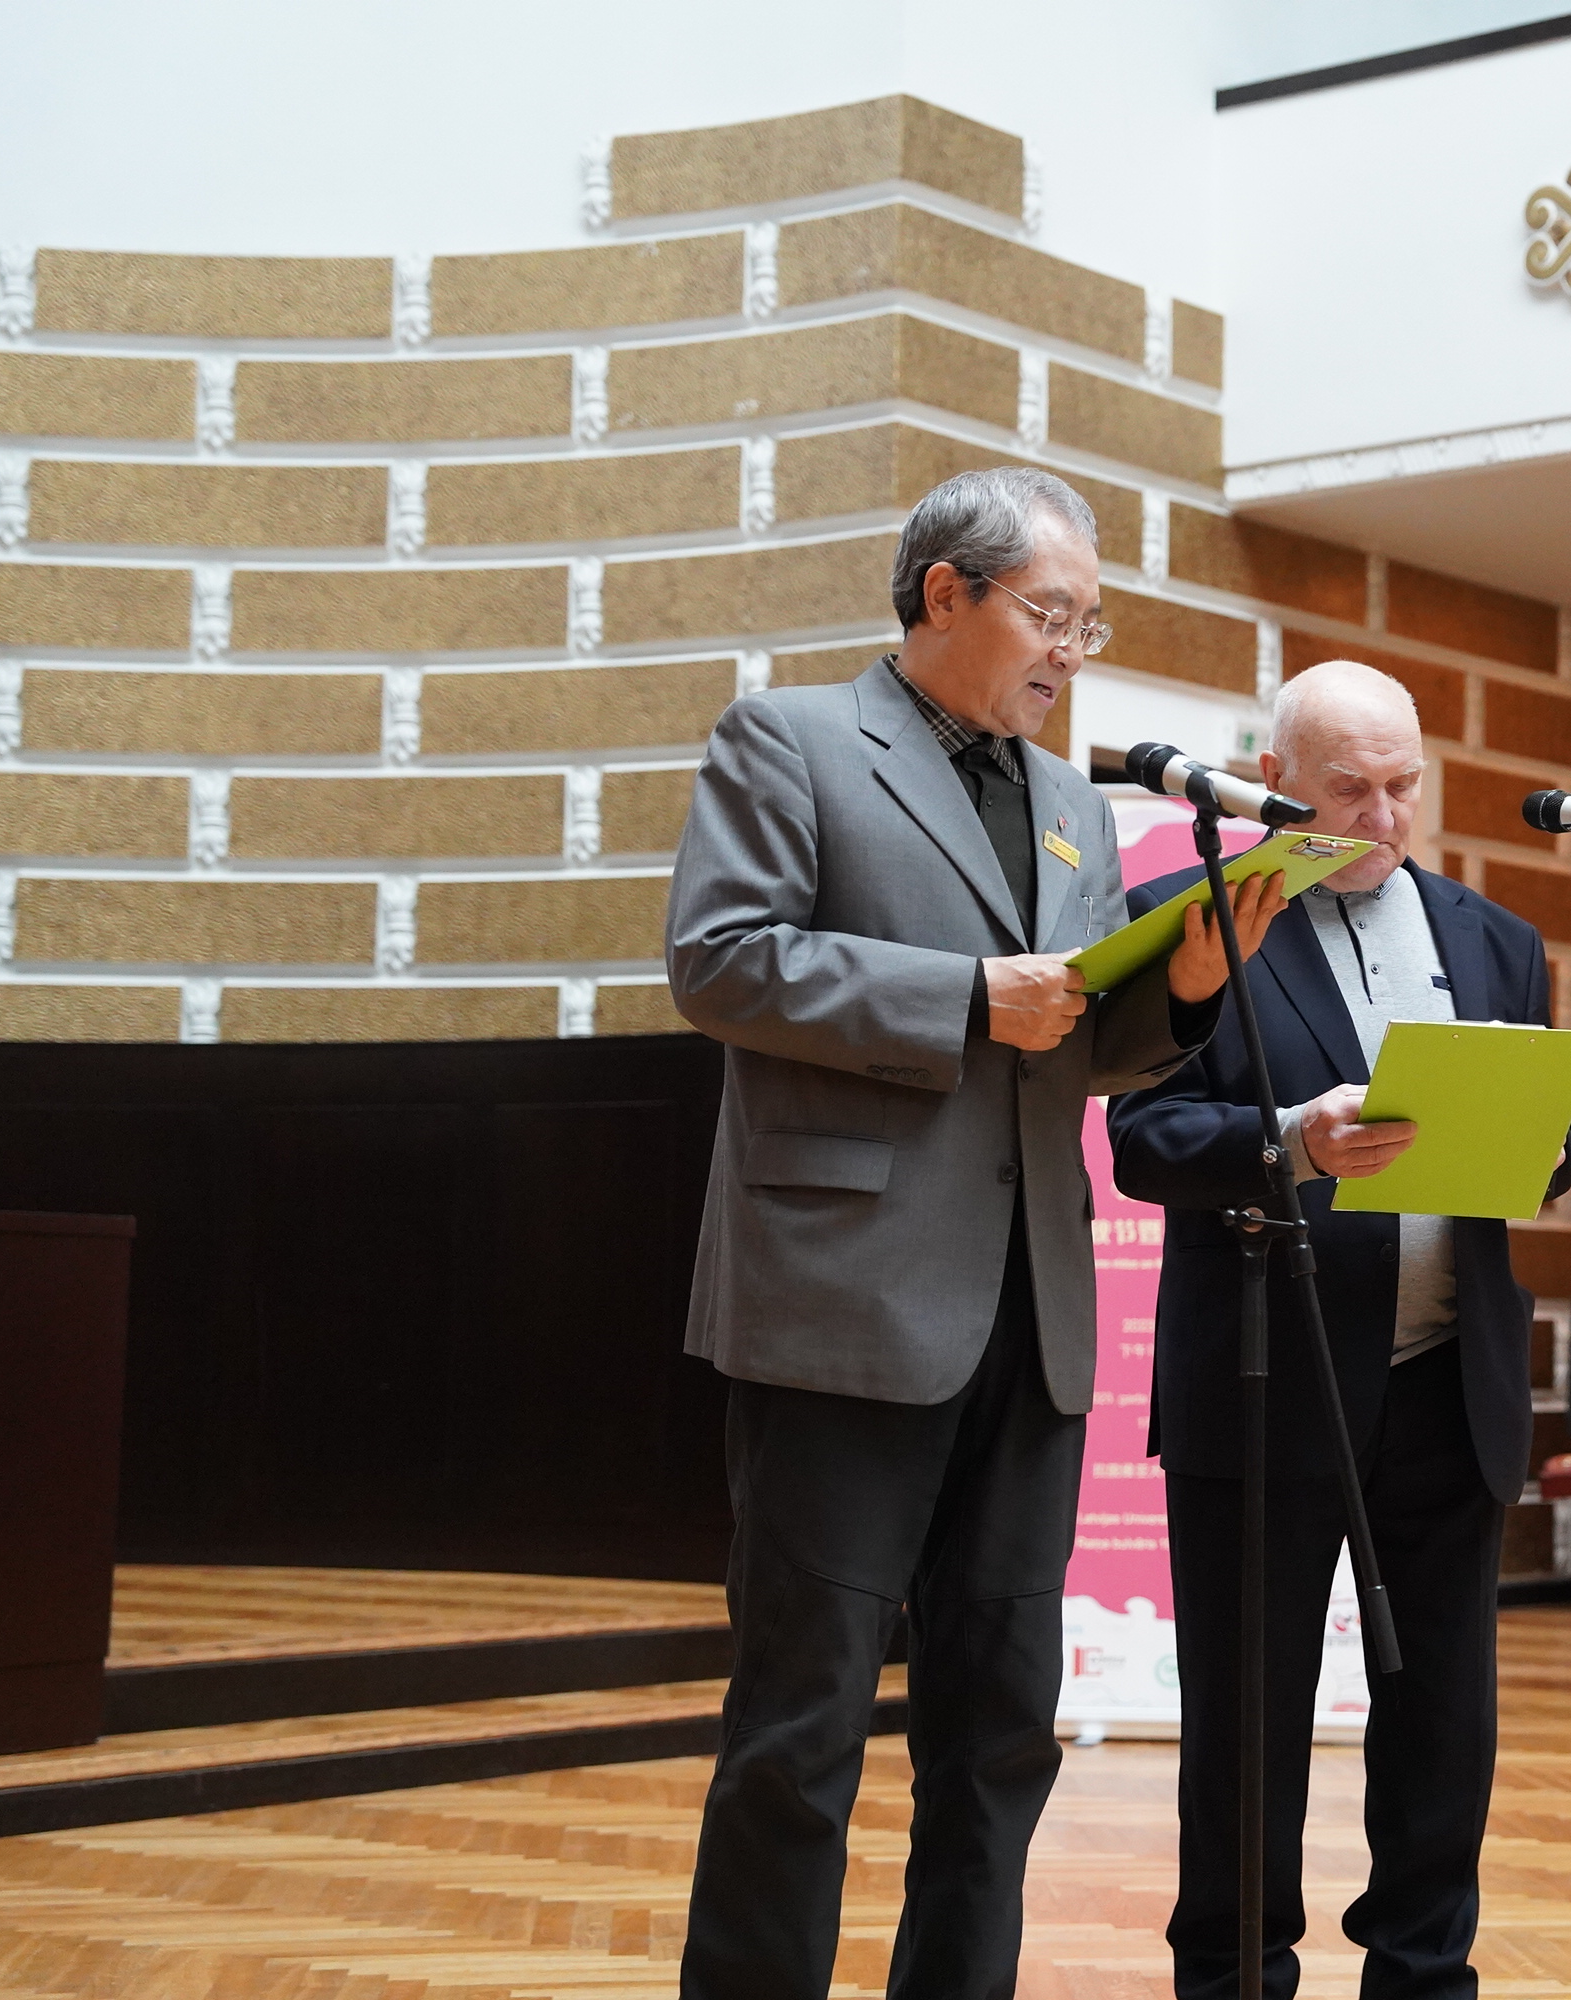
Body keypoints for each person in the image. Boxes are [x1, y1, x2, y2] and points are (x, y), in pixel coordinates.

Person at [665, 464, 1282, 2000]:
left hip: (1032, 1319)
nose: (1072, 651)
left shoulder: (1071, 803)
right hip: (844, 1307)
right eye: (1052, 616)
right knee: (801, 1727)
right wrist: (959, 997)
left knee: (1001, 1729)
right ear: (947, 593)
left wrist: (1185, 991)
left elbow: (1075, 1037)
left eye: (1089, 624)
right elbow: (721, 963)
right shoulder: (791, 739)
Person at [1109, 658, 1571, 2000]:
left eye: (1403, 787)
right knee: (1247, 1718)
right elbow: (1144, 1140)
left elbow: (1547, 1129)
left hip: (1449, 1380)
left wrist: (1546, 1143)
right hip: (1269, 1381)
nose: (1382, 818)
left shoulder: (1496, 938)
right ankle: (1238, 1978)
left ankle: (1423, 1978)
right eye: (1349, 789)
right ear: (1273, 784)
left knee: (1444, 1721)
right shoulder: (1189, 920)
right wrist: (1292, 1140)